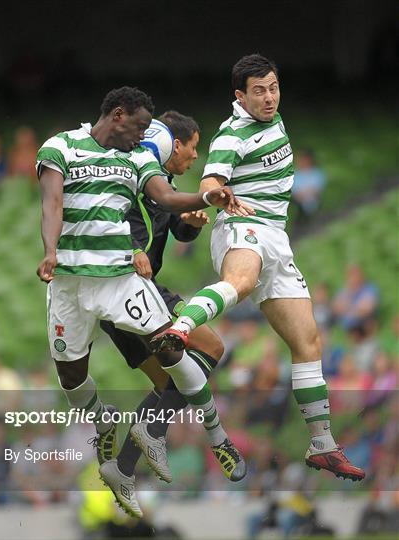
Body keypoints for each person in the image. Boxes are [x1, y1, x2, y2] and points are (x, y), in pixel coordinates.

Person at [35, 87, 250, 518]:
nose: (142, 137)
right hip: (71, 284)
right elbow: (53, 202)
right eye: (138, 127)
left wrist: (206, 197)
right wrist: (51, 249)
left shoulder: (138, 160)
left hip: (122, 282)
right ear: (117, 116)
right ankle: (111, 431)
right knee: (73, 383)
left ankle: (213, 434)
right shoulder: (61, 146)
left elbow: (167, 201)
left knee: (181, 349)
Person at [151, 55, 365, 482]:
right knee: (240, 283)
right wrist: (216, 196)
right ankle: (180, 329)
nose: (269, 97)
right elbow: (210, 182)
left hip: (276, 238)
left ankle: (321, 443)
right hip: (241, 225)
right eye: (259, 91)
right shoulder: (233, 135)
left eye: (273, 88)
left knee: (308, 341)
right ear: (239, 96)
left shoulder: (275, 119)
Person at [99, 111, 232, 502]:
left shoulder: (163, 185)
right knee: (211, 348)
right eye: (192, 149)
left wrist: (189, 222)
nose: (195, 158)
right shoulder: (137, 180)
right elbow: (118, 221)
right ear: (175, 144)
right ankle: (153, 435)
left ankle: (121, 468)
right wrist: (137, 249)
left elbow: (177, 230)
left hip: (115, 304)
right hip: (136, 290)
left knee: (167, 387)